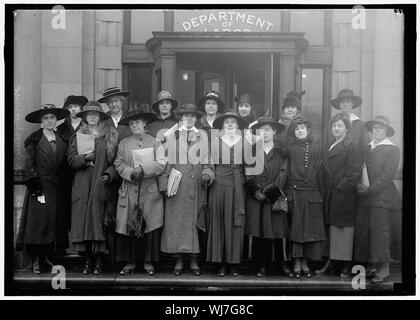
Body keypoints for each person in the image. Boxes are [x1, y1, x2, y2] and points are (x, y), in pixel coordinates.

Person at [160, 104, 215, 276]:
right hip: (176, 188)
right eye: (186, 116)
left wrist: (207, 173)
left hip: (197, 188)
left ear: (196, 118)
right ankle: (178, 259)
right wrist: (164, 185)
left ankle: (193, 259)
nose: (189, 118)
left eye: (192, 116)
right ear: (181, 118)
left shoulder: (203, 137)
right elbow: (164, 162)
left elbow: (208, 162)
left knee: (194, 224)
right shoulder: (172, 137)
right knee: (177, 224)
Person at [113, 104, 167, 275]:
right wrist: (130, 172)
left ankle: (148, 262)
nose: (135, 126)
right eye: (131, 124)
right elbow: (118, 163)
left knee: (149, 226)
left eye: (137, 123)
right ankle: (130, 262)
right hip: (129, 190)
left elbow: (161, 163)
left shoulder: (155, 142)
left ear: (144, 123)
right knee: (129, 226)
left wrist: (143, 170)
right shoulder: (124, 143)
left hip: (149, 191)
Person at [16, 104, 70, 273]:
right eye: (46, 118)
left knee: (52, 225)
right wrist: (36, 189)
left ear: (56, 120)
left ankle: (47, 257)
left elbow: (65, 165)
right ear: (41, 121)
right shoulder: (34, 139)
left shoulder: (62, 139)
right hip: (40, 187)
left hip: (56, 188)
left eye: (52, 118)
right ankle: (36, 260)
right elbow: (29, 165)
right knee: (38, 224)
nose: (49, 121)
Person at [67, 101, 119, 275]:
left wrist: (109, 174)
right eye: (89, 114)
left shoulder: (110, 134)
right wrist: (84, 158)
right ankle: (87, 260)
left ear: (100, 117)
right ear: (84, 117)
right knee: (83, 221)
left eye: (95, 114)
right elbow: (71, 160)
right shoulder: (78, 135)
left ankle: (99, 261)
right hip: (83, 182)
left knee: (98, 218)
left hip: (100, 181)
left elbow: (117, 160)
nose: (92, 117)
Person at [354, 116, 401, 283]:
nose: (377, 130)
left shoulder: (392, 149)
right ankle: (371, 266)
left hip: (382, 198)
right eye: (375, 128)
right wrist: (361, 187)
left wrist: (370, 190)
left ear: (386, 130)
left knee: (381, 233)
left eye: (381, 128)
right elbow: (360, 168)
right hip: (366, 198)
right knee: (367, 232)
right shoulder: (366, 148)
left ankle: (384, 268)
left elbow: (388, 176)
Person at [315, 113, 362, 278]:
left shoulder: (352, 146)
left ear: (347, 129)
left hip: (343, 195)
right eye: (334, 125)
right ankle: (332, 262)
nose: (336, 128)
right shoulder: (329, 145)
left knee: (344, 231)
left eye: (340, 125)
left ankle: (346, 265)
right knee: (332, 230)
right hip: (330, 194)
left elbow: (353, 174)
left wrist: (339, 189)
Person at [244, 117, 291, 277]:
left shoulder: (281, 152)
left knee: (278, 230)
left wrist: (270, 191)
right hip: (256, 198)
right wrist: (255, 191)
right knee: (259, 230)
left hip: (274, 197)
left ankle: (282, 265)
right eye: (261, 130)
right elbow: (248, 171)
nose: (264, 133)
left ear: (274, 132)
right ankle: (260, 265)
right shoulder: (252, 150)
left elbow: (283, 173)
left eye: (268, 130)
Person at [206, 109, 248, 277]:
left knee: (235, 224)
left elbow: (250, 166)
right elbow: (209, 163)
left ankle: (233, 263)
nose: (230, 124)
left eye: (233, 121)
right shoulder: (214, 141)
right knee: (219, 222)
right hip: (219, 184)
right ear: (222, 125)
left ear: (237, 124)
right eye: (227, 121)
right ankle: (220, 263)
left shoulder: (245, 142)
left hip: (238, 185)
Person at [285, 116, 326, 278]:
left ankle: (305, 262)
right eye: (297, 128)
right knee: (296, 228)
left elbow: (322, 173)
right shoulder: (289, 148)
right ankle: (296, 261)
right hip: (294, 192)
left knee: (309, 228)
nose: (300, 130)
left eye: (302, 128)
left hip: (312, 193)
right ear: (293, 133)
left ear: (308, 130)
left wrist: (321, 194)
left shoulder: (317, 148)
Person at [56, 95, 88, 253]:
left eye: (76, 106)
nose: (73, 109)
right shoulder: (61, 128)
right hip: (66, 174)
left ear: (82, 109)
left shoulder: (87, 126)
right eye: (70, 106)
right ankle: (67, 244)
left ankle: (82, 242)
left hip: (83, 171)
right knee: (66, 205)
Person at [329, 89, 369, 155]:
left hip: (354, 161)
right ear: (339, 104)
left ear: (352, 104)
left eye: (348, 102)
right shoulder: (332, 124)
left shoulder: (360, 125)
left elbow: (365, 147)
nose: (345, 104)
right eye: (342, 102)